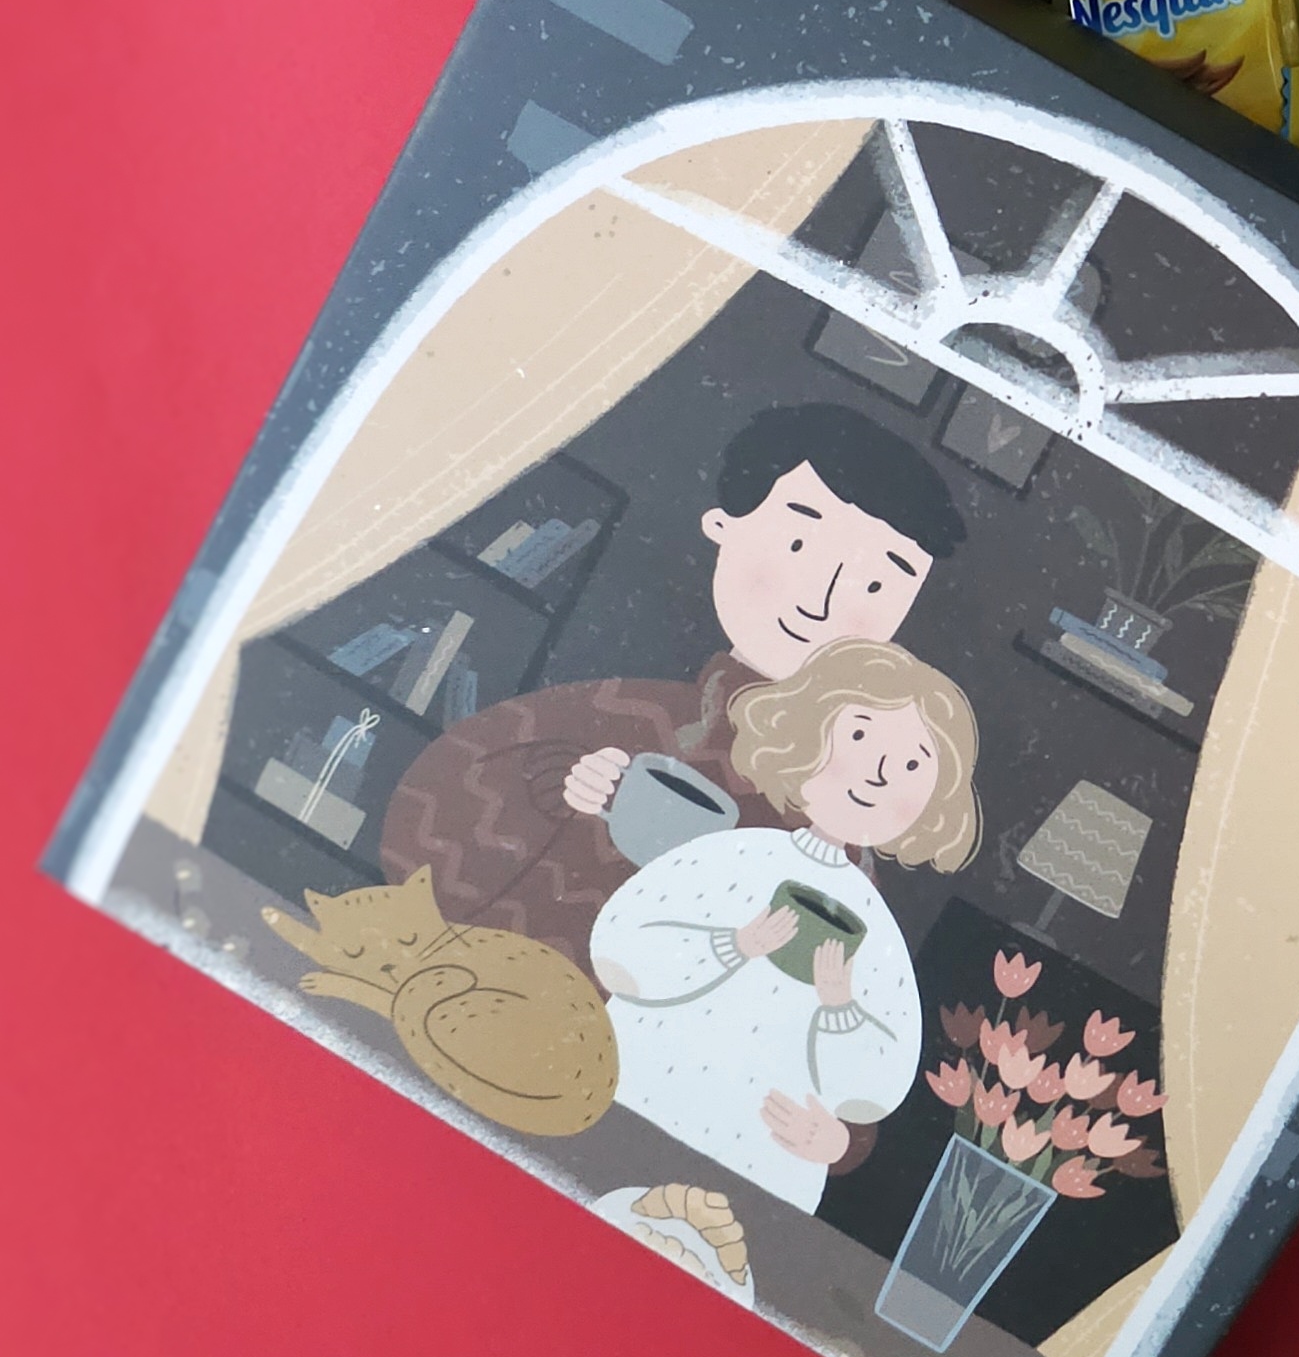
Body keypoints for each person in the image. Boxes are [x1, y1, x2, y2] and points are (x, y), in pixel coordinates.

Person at [379, 403, 964, 964]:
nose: (821, 600)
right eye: (798, 546)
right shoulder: (629, 712)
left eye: (876, 586)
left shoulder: (849, 796)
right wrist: (565, 784)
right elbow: (438, 809)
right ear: (722, 526)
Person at [590, 643, 981, 1210]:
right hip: (627, 1102)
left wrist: (840, 1007)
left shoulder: (878, 935)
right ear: (804, 737)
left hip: (752, 1164)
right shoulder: (732, 855)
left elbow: (878, 1085)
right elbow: (619, 946)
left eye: (913, 765)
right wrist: (733, 946)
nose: (878, 773)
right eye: (859, 736)